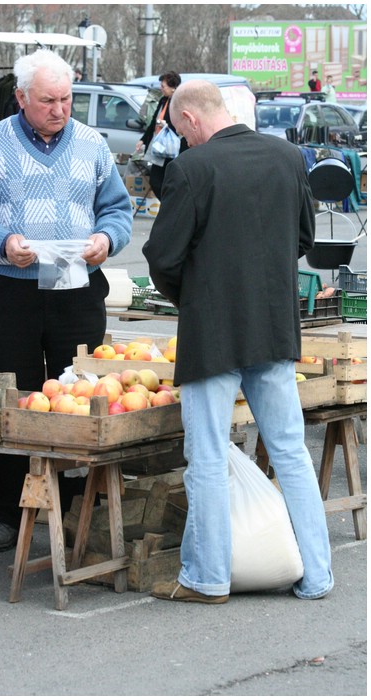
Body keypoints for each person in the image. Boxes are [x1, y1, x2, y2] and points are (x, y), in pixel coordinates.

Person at [143, 80, 333, 604]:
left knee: (205, 457)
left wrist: (194, 296)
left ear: (190, 121)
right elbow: (303, 238)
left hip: (213, 331)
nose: (183, 139)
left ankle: (208, 579)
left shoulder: (191, 169)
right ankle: (317, 575)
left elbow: (162, 257)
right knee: (291, 452)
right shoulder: (287, 156)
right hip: (272, 325)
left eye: (181, 131)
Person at [0, 49, 132, 553]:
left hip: (76, 287)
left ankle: (79, 508)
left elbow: (118, 209)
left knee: (78, 393)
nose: (60, 109)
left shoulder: (92, 144)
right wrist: (2, 241)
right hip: (12, 289)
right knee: (13, 395)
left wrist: (106, 239)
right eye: (48, 100)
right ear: (22, 98)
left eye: (67, 99)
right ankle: (12, 511)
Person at [135, 71, 186, 200]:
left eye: (163, 86)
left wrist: (167, 124)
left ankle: (169, 206)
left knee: (167, 180)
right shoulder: (163, 100)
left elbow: (182, 124)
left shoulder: (180, 102)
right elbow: (153, 121)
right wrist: (143, 140)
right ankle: (166, 204)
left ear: (173, 88)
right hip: (159, 147)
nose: (161, 89)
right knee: (155, 181)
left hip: (173, 148)